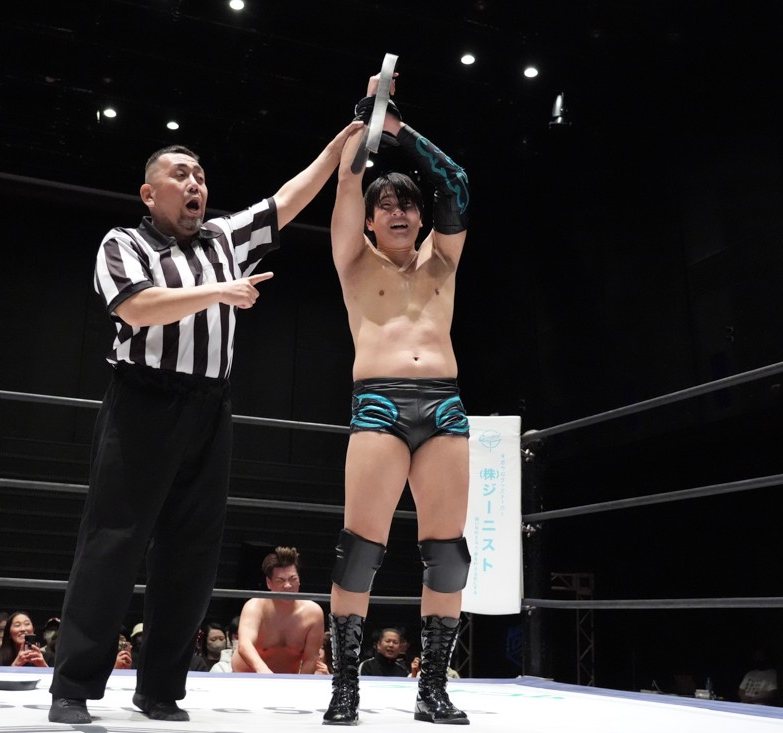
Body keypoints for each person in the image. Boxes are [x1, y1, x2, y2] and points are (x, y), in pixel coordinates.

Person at [47, 119, 365, 726]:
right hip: (143, 402)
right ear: (150, 193)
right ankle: (74, 687)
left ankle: (160, 689)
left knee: (191, 555)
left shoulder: (223, 239)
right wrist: (220, 292)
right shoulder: (123, 243)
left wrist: (336, 147)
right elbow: (136, 308)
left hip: (209, 408)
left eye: (200, 174)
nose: (195, 183)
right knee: (112, 545)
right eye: (181, 174)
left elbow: (286, 201)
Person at [322, 72, 472, 726]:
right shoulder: (354, 261)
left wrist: (399, 131)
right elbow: (346, 183)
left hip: (444, 407)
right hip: (379, 404)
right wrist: (365, 132)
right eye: (386, 205)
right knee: (360, 549)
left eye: (407, 202)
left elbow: (455, 181)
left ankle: (432, 688)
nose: (398, 211)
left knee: (448, 553)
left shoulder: (443, 259)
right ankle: (345, 688)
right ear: (371, 219)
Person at [233, 546, 324, 674]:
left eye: (293, 579)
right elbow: (244, 645)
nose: (287, 585)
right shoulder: (255, 606)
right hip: (248, 676)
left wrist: (301, 683)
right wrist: (264, 673)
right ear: (269, 583)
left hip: (288, 680)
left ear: (299, 580)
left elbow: (311, 658)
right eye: (280, 580)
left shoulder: (313, 613)